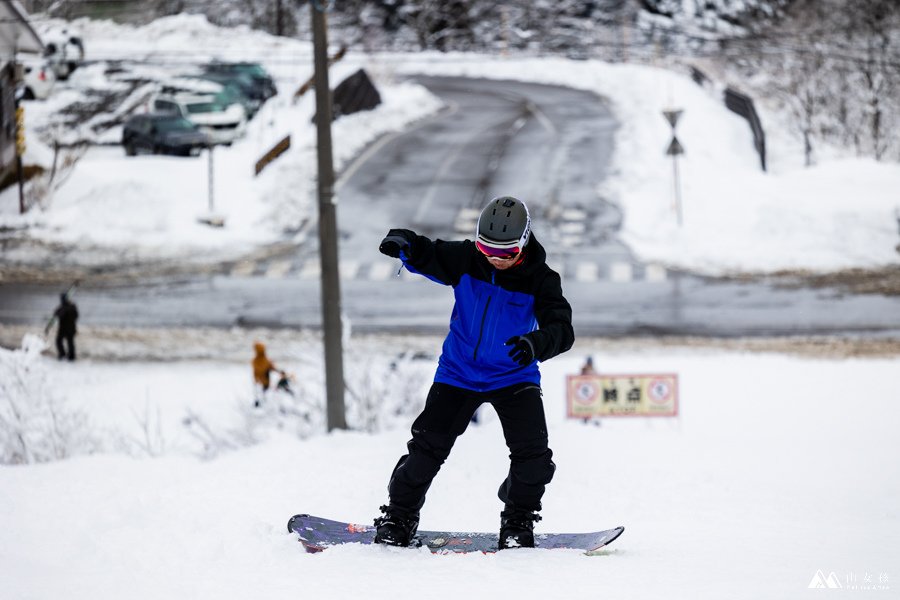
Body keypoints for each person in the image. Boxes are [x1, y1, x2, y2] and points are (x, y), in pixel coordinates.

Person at [373, 196, 574, 549]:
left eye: (506, 252)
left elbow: (562, 329)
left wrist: (535, 343)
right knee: (426, 450)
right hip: (459, 374)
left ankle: (517, 519)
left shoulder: (542, 280)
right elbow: (429, 252)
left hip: (514, 376)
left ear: (524, 242)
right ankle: (399, 515)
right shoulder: (467, 260)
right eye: (487, 248)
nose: (495, 258)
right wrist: (405, 244)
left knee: (534, 459)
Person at [53, 292, 79, 361]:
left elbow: (76, 316)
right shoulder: (63, 307)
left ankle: (71, 356)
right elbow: (57, 315)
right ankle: (63, 354)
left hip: (69, 328)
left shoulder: (71, 307)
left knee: (69, 342)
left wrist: (65, 310)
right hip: (63, 328)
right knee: (59, 341)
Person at [252, 342, 278, 406]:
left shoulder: (255, 360)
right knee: (263, 392)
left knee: (260, 393)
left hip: (258, 380)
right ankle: (262, 403)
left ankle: (260, 403)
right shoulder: (264, 360)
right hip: (264, 380)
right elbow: (272, 367)